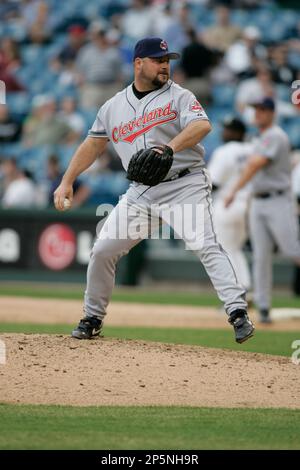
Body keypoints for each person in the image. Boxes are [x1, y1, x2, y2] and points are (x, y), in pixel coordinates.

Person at [54, 36, 254, 343]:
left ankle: (238, 311)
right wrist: (67, 180)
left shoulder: (180, 96)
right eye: (158, 60)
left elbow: (202, 126)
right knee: (103, 249)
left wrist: (169, 148)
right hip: (142, 192)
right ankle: (92, 317)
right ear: (138, 63)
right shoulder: (113, 107)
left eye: (167, 61)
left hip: (184, 183)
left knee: (205, 244)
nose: (165, 66)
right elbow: (93, 144)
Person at [224, 97, 300, 323]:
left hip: (278, 200)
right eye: (256, 109)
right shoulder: (258, 137)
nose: (258, 113)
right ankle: (264, 308)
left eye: (262, 110)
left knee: (292, 250)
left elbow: (256, 164)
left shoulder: (275, 135)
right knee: (260, 256)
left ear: (272, 113)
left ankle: (264, 306)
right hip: (258, 200)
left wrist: (233, 191)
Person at [207, 117, 252, 295]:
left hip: (227, 203)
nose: (224, 133)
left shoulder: (225, 151)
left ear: (237, 132)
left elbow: (214, 183)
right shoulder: (253, 149)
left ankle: (236, 294)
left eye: (228, 129)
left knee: (225, 250)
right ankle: (247, 289)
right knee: (235, 249)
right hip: (249, 205)